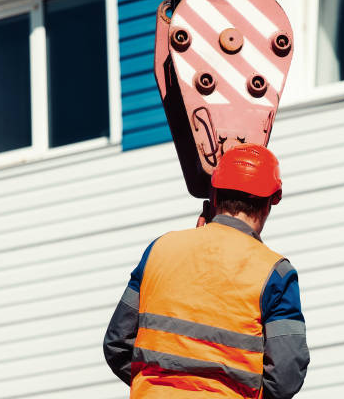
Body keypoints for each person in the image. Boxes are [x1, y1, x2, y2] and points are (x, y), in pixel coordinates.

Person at [103, 143, 309, 398]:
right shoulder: (276, 273)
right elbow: (285, 378)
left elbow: (117, 343)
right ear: (270, 202)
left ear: (214, 195)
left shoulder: (161, 249)